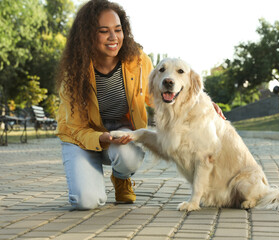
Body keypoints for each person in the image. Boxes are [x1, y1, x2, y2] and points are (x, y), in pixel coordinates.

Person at [56, 0, 225, 210]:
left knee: (128, 157)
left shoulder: (137, 60)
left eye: (118, 30)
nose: (113, 37)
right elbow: (73, 127)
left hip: (119, 134)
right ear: (88, 35)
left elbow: (158, 95)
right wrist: (99, 137)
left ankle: (120, 177)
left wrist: (204, 104)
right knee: (86, 202)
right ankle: (89, 171)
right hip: (81, 138)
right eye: (103, 31)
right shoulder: (73, 73)